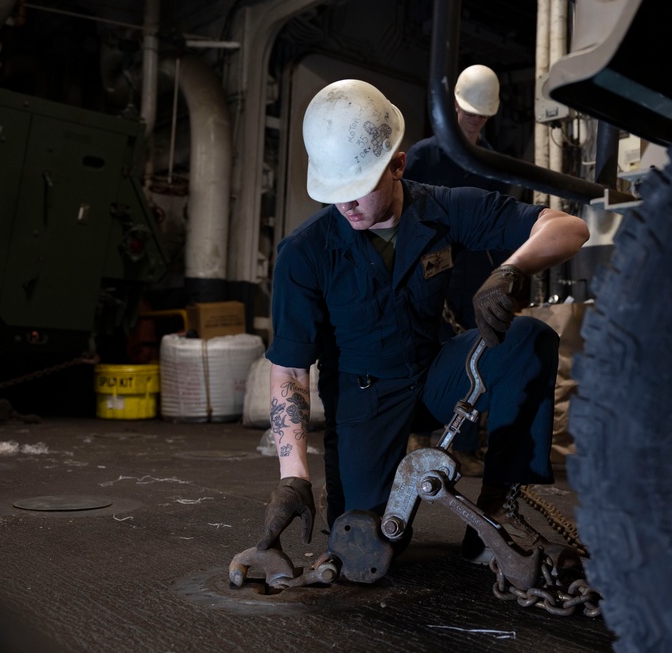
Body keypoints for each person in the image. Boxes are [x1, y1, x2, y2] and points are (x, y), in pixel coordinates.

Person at [247, 79, 589, 568]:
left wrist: (512, 269)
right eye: (335, 193)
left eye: (359, 189)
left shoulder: (440, 208)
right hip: (365, 400)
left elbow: (569, 228)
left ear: (398, 165)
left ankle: (496, 509)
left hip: (435, 375)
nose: (347, 206)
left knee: (528, 337)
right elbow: (291, 372)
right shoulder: (304, 255)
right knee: (365, 547)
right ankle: (360, 498)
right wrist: (293, 476)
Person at [404, 64, 512, 473]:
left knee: (477, 352)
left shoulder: (493, 165)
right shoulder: (423, 157)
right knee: (420, 349)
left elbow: (503, 226)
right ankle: (416, 432)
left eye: (483, 114)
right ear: (454, 107)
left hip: (475, 272)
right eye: (470, 111)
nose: (476, 119)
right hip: (428, 267)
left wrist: (505, 273)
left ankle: (463, 445)